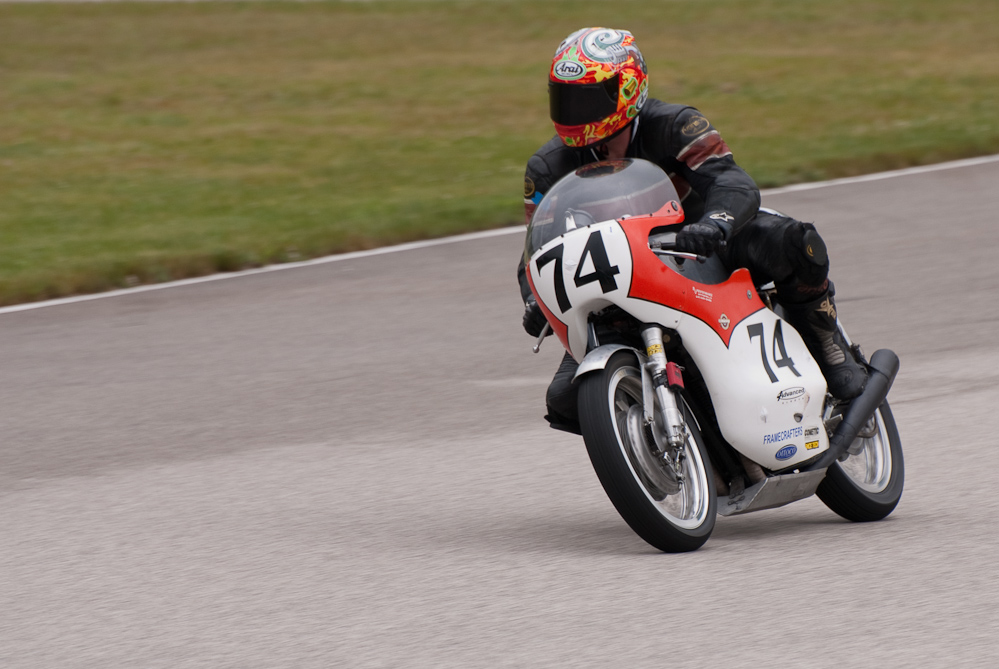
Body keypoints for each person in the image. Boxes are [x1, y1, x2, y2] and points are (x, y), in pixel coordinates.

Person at [519, 27, 867, 434]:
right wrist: (533, 299)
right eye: (565, 99)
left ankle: (828, 344)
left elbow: (732, 183)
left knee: (793, 243)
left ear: (628, 88)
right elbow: (536, 250)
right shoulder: (546, 167)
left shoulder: (676, 125)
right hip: (622, 274)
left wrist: (714, 224)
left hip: (706, 245)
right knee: (566, 399)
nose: (574, 112)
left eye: (587, 99)